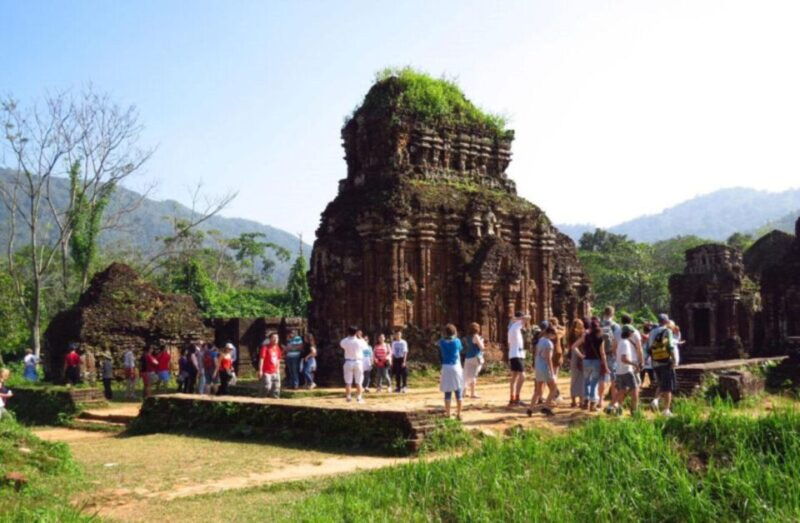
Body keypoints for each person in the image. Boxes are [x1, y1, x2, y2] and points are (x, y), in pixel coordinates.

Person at [647, 314, 678, 417]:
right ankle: (666, 410)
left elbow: (648, 348)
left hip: (655, 362)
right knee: (668, 386)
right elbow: (670, 346)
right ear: (666, 321)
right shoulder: (667, 331)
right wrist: (674, 360)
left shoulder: (652, 332)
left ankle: (655, 400)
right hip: (666, 362)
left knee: (660, 383)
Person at [608, 325, 641, 415]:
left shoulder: (621, 342)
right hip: (627, 371)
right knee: (635, 390)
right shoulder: (625, 343)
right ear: (629, 333)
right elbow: (624, 359)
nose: (633, 334)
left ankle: (611, 407)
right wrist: (635, 365)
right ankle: (634, 412)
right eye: (632, 332)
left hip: (620, 371)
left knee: (622, 391)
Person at [576, 318, 607, 412]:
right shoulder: (600, 338)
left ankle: (585, 402)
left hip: (586, 361)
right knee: (594, 383)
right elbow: (602, 353)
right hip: (596, 361)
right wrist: (605, 365)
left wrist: (582, 356)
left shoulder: (585, 336)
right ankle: (592, 404)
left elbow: (574, 346)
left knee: (586, 381)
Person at [527, 326, 559, 416]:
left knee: (538, 390)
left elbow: (536, 355)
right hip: (545, 368)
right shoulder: (549, 343)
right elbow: (548, 358)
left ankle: (530, 409)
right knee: (553, 388)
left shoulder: (540, 340)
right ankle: (546, 407)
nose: (555, 336)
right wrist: (552, 372)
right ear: (550, 333)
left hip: (538, 367)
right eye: (554, 334)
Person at [439, 324, 465, 419]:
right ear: (454, 332)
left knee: (447, 391)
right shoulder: (457, 341)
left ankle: (448, 414)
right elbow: (460, 349)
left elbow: (440, 347)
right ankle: (459, 414)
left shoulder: (441, 342)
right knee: (458, 390)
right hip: (456, 367)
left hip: (446, 367)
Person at [599, 306, 621, 410]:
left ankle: (599, 401)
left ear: (604, 313)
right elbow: (617, 341)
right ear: (613, 314)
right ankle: (613, 401)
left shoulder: (599, 324)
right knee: (613, 379)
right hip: (611, 355)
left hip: (599, 354)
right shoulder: (615, 326)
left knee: (601, 378)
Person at [507, 311, 530, 406]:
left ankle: (512, 398)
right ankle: (517, 398)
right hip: (516, 355)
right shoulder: (515, 325)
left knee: (514, 377)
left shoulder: (513, 328)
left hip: (515, 354)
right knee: (522, 376)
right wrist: (517, 318)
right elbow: (528, 317)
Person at [340, 326, 367, 403]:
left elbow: (342, 345)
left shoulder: (344, 341)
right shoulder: (360, 341)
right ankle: (359, 397)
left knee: (348, 381)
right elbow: (366, 348)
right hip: (358, 362)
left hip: (348, 362)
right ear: (356, 332)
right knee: (359, 381)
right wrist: (360, 337)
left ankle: (348, 397)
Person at [567, 318, 587, 408]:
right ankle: (581, 401)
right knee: (581, 379)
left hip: (574, 357)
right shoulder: (580, 334)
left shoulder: (570, 334)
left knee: (574, 379)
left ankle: (574, 401)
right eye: (580, 325)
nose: (582, 326)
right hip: (578, 356)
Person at [463, 322, 485, 399]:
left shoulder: (467, 337)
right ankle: (473, 393)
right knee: (473, 375)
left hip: (468, 357)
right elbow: (482, 347)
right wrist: (482, 341)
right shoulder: (476, 336)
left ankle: (464, 392)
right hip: (475, 357)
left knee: (466, 375)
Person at [258, 333, 282, 398]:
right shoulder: (265, 348)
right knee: (266, 386)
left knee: (276, 388)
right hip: (266, 371)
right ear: (270, 339)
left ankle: (274, 401)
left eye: (277, 337)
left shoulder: (277, 348)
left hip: (275, 371)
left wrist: (278, 370)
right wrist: (260, 370)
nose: (276, 339)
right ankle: (261, 399)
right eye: (274, 337)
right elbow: (261, 359)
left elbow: (278, 359)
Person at [391, 329, 409, 393]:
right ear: (395, 335)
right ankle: (398, 387)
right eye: (397, 334)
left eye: (399, 334)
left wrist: (404, 361)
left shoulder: (404, 342)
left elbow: (405, 352)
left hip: (402, 358)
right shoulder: (394, 343)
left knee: (404, 373)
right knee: (397, 374)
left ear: (401, 335)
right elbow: (392, 353)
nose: (398, 336)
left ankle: (404, 386)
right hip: (396, 359)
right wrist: (392, 361)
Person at [639, 323, 656, 387]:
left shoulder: (641, 336)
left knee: (642, 372)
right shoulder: (651, 336)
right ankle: (652, 384)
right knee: (650, 371)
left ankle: (641, 384)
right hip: (649, 357)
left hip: (643, 356)